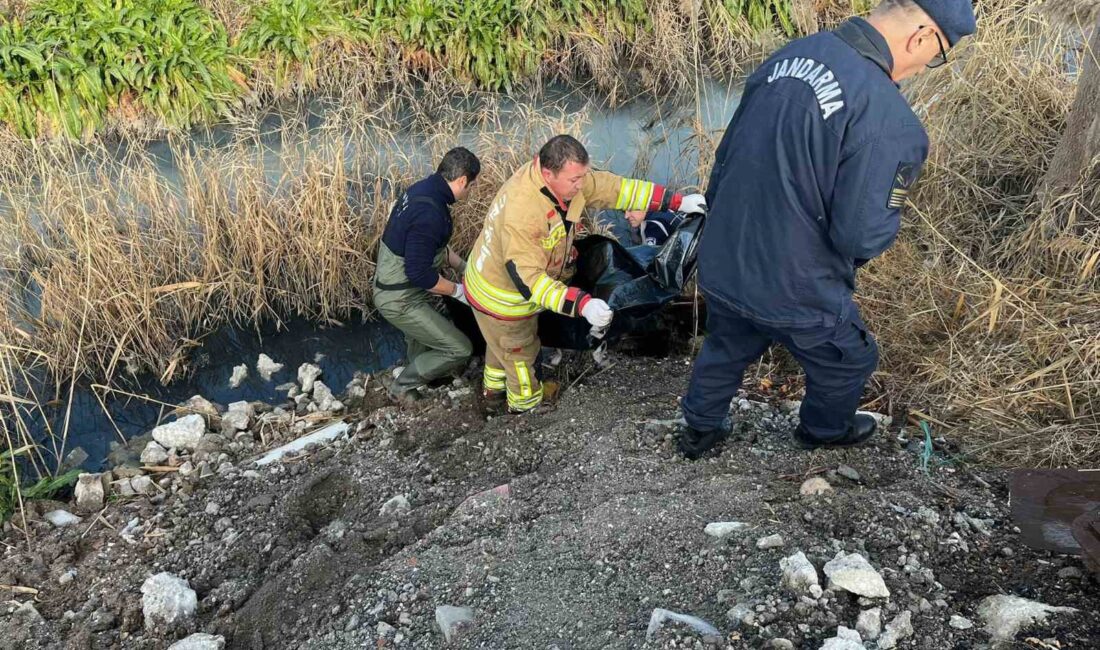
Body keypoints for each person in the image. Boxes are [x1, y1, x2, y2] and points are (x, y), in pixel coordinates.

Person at [679, 0, 976, 458]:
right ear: (920, 37)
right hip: (795, 281)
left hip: (726, 256)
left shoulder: (788, 56)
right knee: (849, 359)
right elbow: (861, 235)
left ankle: (700, 429)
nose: (922, 69)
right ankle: (822, 431)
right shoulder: (890, 119)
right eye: (934, 56)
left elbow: (725, 161)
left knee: (727, 341)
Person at [464, 135, 707, 413]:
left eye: (583, 176)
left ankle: (492, 392)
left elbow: (618, 190)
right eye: (574, 180)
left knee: (499, 346)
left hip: (486, 281)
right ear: (548, 173)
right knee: (521, 353)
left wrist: (675, 201)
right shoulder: (524, 212)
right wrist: (582, 304)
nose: (581, 185)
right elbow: (530, 282)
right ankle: (525, 408)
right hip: (503, 298)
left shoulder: (564, 182)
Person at [373, 147, 481, 403]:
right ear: (462, 180)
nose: (470, 191)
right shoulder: (430, 213)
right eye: (471, 185)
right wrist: (459, 292)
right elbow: (421, 275)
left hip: (398, 287)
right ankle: (402, 387)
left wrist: (466, 269)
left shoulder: (424, 190)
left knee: (419, 335)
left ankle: (423, 371)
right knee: (460, 348)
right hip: (398, 298)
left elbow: (435, 248)